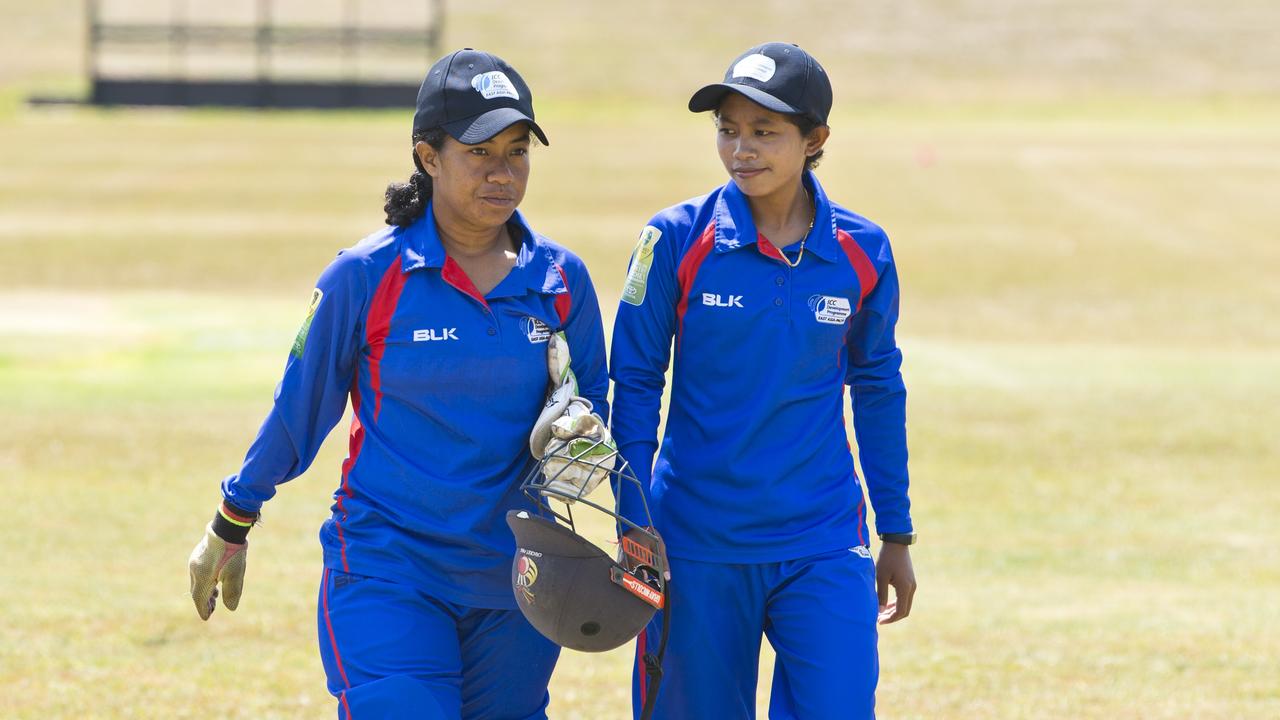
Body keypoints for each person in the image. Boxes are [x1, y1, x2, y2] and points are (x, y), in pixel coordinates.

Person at [186, 48, 609, 720]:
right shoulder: (365, 276)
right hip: (390, 572)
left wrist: (583, 435)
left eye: (518, 150)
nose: (504, 172)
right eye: (480, 152)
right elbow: (301, 410)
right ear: (428, 156)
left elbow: (593, 409)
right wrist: (232, 520)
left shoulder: (562, 282)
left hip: (520, 581)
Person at [609, 42, 918, 719]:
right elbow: (632, 382)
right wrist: (634, 522)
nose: (741, 149)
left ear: (816, 140)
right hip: (693, 542)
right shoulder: (673, 239)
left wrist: (895, 531)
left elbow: (878, 388)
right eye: (728, 129)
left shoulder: (863, 251)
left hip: (822, 540)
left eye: (765, 131)